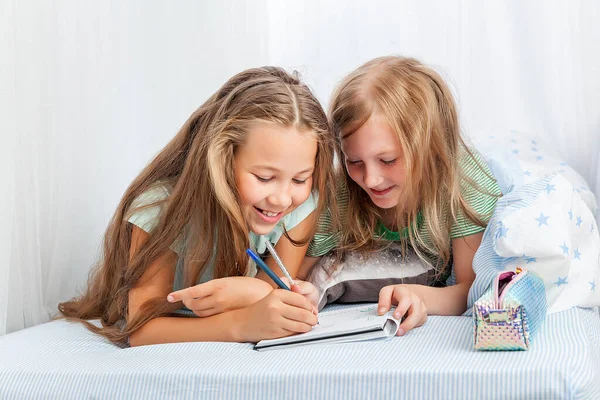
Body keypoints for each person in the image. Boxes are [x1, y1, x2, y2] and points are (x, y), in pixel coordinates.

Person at [59, 67, 336, 346]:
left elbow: (275, 291)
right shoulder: (158, 211)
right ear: (221, 159)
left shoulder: (301, 207)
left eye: (299, 179)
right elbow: (142, 330)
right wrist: (242, 324)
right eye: (265, 178)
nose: (282, 199)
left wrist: (256, 292)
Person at [302, 56, 502, 336]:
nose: (370, 180)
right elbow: (297, 277)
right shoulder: (341, 193)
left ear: (430, 148)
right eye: (354, 161)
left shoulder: (464, 186)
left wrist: (416, 295)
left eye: (388, 160)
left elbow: (470, 289)